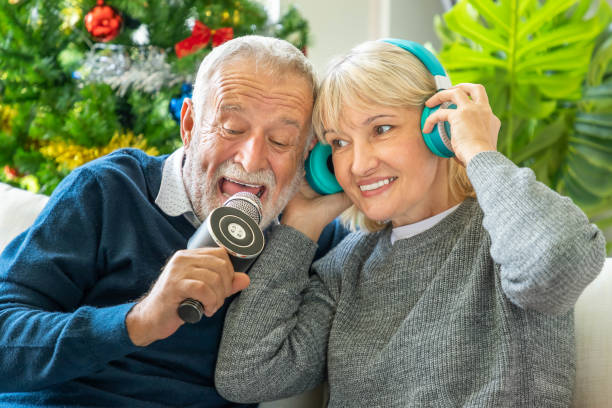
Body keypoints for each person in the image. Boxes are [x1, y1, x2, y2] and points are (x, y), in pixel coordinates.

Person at [215, 39, 607, 407]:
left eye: (381, 129)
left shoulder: (508, 232)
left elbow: (558, 265)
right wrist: (301, 226)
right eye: (339, 143)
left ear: (439, 126)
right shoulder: (345, 267)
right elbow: (247, 375)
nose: (358, 164)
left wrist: (478, 153)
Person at [0, 35, 348, 407]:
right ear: (189, 124)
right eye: (232, 128)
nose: (251, 160)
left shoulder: (311, 239)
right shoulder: (109, 189)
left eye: (280, 141)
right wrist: (137, 321)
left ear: (307, 153)